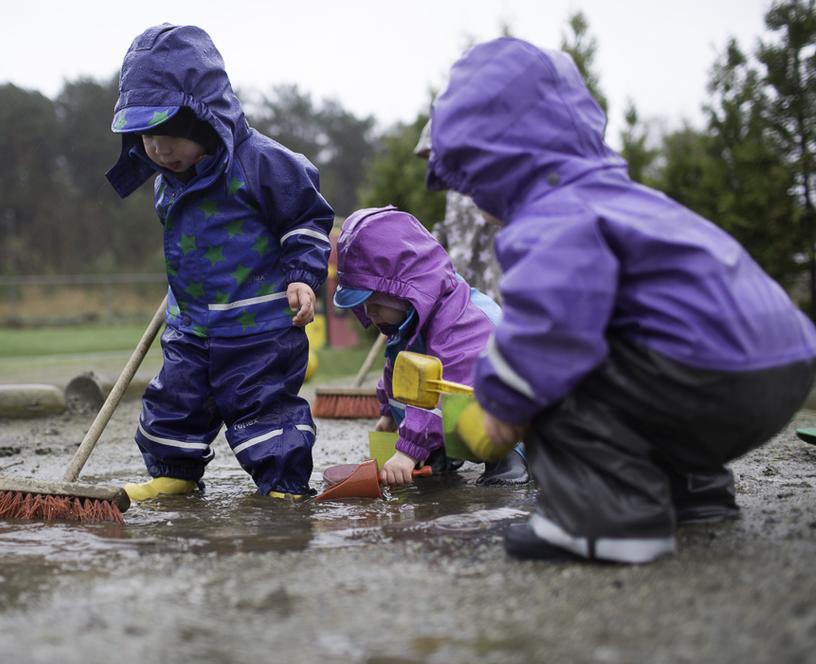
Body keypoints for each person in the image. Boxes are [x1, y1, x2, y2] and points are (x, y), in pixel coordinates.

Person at [425, 37, 816, 563]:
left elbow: (549, 328)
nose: (470, 198)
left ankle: (610, 522)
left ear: (494, 166)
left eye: (470, 181)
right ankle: (694, 495)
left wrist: (501, 403)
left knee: (552, 377)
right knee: (627, 358)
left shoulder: (553, 214)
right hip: (782, 364)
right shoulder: (627, 198)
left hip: (707, 373)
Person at [105, 24, 334, 501]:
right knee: (175, 400)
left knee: (262, 405)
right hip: (192, 325)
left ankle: (283, 484)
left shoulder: (263, 163)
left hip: (259, 326)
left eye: (169, 134)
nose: (158, 150)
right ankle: (175, 472)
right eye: (145, 136)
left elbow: (307, 220)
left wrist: (303, 277)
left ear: (203, 119)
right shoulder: (169, 176)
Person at [333, 207, 528, 486]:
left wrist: (407, 450)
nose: (370, 313)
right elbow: (397, 370)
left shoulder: (460, 323)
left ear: (403, 290)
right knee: (413, 378)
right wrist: (389, 413)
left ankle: (508, 458)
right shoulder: (410, 320)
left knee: (470, 401)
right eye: (365, 306)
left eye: (375, 304)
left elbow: (442, 390)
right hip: (467, 403)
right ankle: (442, 451)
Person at [414, 122, 504, 303]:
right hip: (461, 279)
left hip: (491, 277)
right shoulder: (454, 191)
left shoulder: (486, 182)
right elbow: (453, 225)